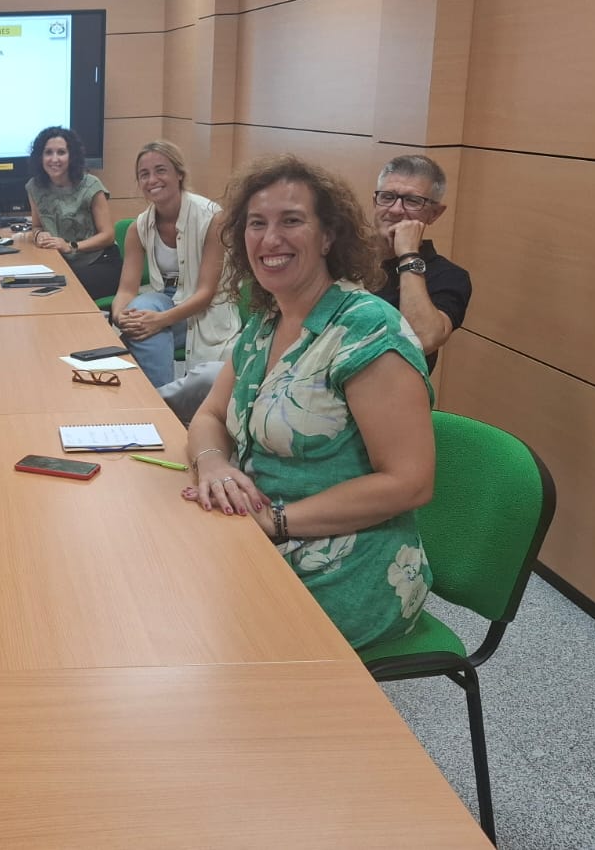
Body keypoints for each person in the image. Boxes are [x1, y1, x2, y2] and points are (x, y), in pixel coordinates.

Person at [182, 154, 436, 650]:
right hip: (257, 539)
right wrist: (213, 464)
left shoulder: (366, 329)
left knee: (186, 633)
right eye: (257, 223)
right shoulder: (266, 320)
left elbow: (409, 483)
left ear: (327, 237)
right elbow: (210, 415)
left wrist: (276, 521)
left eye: (291, 221)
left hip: (349, 567)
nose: (270, 239)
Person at [110, 140, 239, 400]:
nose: (152, 180)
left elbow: (205, 294)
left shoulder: (212, 218)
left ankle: (155, 401)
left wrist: (159, 320)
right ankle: (162, 402)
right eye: (144, 174)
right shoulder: (139, 227)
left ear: (179, 174)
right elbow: (126, 290)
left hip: (206, 309)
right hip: (166, 302)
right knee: (141, 312)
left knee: (146, 322)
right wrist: (120, 315)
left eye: (160, 170)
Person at [371, 154, 472, 372]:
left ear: (435, 213)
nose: (396, 210)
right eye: (387, 197)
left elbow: (422, 340)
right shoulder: (345, 254)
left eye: (412, 201)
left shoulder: (448, 276)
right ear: (374, 202)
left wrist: (408, 255)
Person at [23, 125, 120, 299]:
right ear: (40, 157)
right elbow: (36, 226)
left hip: (99, 262)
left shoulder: (91, 185)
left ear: (71, 156)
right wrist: (39, 235)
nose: (54, 159)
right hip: (62, 264)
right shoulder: (34, 187)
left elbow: (108, 236)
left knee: (61, 289)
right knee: (28, 285)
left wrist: (70, 246)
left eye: (61, 152)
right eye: (48, 152)